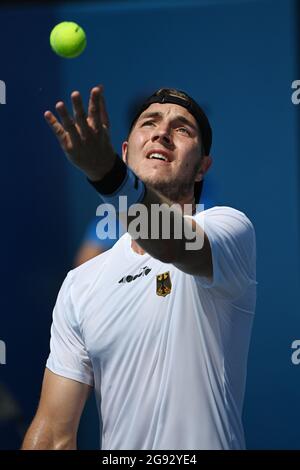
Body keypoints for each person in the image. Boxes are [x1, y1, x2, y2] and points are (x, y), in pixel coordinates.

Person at [22, 86, 256, 450]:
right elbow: (53, 433)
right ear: (127, 152)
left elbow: (170, 243)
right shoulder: (79, 285)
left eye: (183, 129)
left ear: (202, 169)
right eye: (150, 123)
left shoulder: (230, 229)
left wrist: (107, 174)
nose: (163, 131)